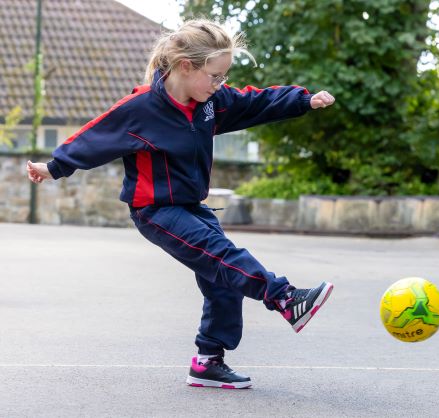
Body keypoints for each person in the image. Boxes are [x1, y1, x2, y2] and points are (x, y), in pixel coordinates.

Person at [26, 19, 335, 390]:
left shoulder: (210, 104)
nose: (220, 85)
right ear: (186, 66)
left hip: (192, 206)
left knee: (221, 279)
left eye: (224, 77)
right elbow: (96, 136)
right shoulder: (141, 108)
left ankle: (208, 362)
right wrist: (54, 167)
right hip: (155, 211)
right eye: (215, 76)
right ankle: (284, 297)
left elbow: (255, 102)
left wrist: (302, 99)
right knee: (221, 254)